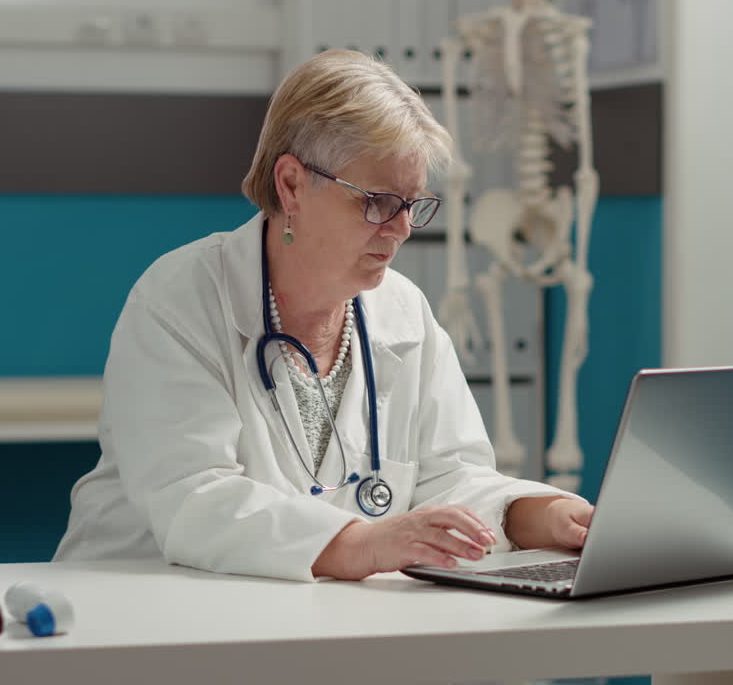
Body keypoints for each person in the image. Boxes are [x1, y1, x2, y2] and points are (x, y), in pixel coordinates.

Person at [54, 49, 594, 582]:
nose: (401, 228)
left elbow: (450, 478)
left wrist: (539, 516)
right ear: (291, 184)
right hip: (140, 614)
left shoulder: (402, 311)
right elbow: (195, 499)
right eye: (378, 201)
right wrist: (361, 543)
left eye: (413, 205)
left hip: (307, 622)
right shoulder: (181, 299)